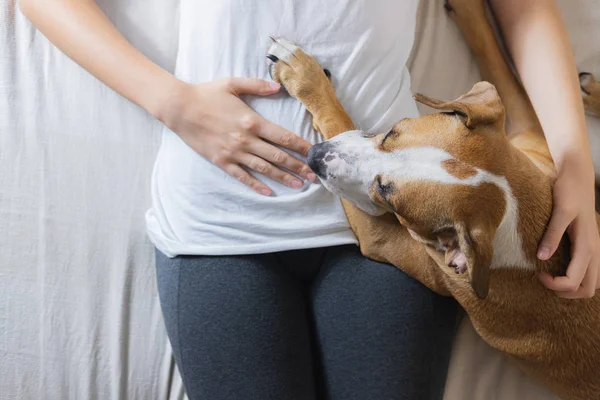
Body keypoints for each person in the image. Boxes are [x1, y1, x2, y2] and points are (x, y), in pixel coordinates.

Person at [20, 0, 599, 399]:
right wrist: (172, 102)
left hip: (393, 230)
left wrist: (573, 164)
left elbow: (522, 9)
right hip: (221, 226)